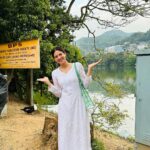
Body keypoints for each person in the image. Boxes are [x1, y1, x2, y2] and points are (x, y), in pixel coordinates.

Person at [37, 47, 101, 150]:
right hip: (65, 106)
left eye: (60, 54)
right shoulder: (55, 73)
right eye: (56, 56)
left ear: (65, 53)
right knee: (66, 130)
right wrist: (48, 83)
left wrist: (89, 69)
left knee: (81, 129)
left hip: (79, 104)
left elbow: (85, 85)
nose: (59, 57)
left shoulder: (77, 66)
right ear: (54, 59)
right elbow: (58, 93)